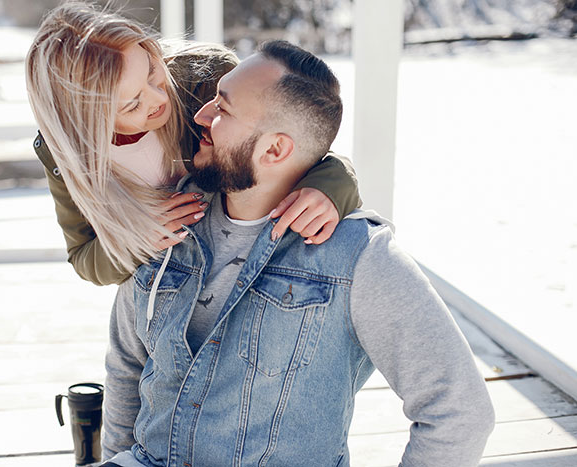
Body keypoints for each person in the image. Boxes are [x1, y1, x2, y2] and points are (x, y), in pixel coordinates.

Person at [100, 40, 495, 467]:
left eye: (223, 108)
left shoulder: (357, 258)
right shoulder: (168, 216)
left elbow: (460, 412)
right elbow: (128, 365)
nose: (201, 115)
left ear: (274, 150)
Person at [25, 2, 362, 284]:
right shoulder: (63, 151)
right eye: (132, 104)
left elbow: (294, 140)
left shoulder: (203, 79)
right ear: (84, 122)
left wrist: (332, 188)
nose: (158, 98)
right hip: (163, 289)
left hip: (257, 260)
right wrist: (135, 240)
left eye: (153, 73)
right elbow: (84, 256)